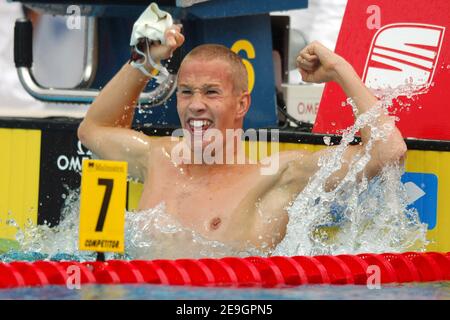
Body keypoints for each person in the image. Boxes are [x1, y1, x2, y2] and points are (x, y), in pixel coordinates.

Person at [77, 24, 407, 254]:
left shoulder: (276, 177)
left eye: (211, 93)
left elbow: (388, 152)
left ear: (242, 104)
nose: (195, 105)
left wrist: (337, 69)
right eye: (187, 92)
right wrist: (144, 60)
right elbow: (92, 130)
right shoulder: (159, 159)